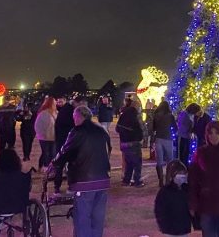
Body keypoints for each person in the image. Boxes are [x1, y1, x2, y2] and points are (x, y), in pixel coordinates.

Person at [49, 105, 112, 237]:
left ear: (78, 117)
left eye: (74, 117)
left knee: (82, 217)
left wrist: (54, 163)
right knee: (98, 217)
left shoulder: (77, 131)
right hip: (103, 180)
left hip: (84, 181)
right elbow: (108, 150)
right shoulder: (102, 131)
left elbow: (65, 151)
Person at [154, 159, 191, 237]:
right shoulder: (165, 192)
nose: (182, 176)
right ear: (173, 175)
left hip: (183, 229)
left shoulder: (187, 190)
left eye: (184, 173)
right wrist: (163, 225)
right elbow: (159, 210)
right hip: (170, 230)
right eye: (180, 173)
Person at [116, 97, 145, 187]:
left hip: (124, 142)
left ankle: (126, 180)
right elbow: (141, 129)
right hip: (134, 142)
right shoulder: (136, 116)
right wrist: (141, 137)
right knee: (137, 163)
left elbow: (117, 128)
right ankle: (137, 181)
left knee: (128, 162)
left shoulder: (123, 114)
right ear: (137, 107)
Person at [152, 100, 177, 186]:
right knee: (170, 160)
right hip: (168, 138)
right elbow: (175, 127)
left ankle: (160, 180)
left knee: (159, 161)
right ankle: (168, 179)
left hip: (158, 138)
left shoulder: (156, 115)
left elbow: (153, 128)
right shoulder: (170, 116)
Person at [34, 97, 57, 169]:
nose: (55, 104)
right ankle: (45, 167)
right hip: (44, 137)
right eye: (54, 102)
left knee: (52, 153)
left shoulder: (55, 112)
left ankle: (50, 167)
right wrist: (42, 134)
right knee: (45, 153)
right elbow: (37, 125)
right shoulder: (43, 113)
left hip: (53, 137)